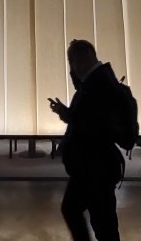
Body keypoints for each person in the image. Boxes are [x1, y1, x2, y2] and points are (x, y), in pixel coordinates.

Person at [49, 39, 124, 241]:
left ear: (80, 60)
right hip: (94, 167)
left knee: (96, 220)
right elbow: (86, 120)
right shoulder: (95, 83)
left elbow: (89, 124)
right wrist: (66, 113)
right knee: (97, 219)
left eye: (72, 62)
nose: (72, 68)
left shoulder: (95, 88)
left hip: (94, 168)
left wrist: (67, 115)